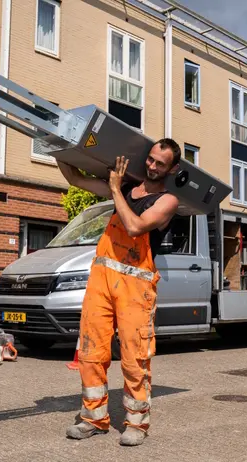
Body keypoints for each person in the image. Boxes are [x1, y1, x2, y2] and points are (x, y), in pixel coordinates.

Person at [58, 138, 182, 446]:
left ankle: (137, 424)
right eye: (151, 159)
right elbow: (74, 178)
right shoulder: (127, 188)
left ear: (172, 169)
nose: (152, 166)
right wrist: (57, 146)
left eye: (160, 163)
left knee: (134, 358)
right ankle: (94, 419)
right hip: (101, 281)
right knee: (90, 352)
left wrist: (115, 189)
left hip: (135, 290)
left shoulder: (167, 202)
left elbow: (136, 227)